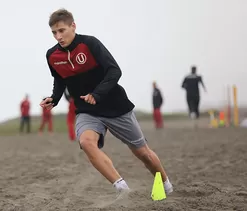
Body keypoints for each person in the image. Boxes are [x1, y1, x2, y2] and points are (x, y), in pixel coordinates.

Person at [40, 9, 173, 196]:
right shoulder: (52, 56)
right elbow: (60, 80)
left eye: (62, 30)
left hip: (116, 107)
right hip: (87, 110)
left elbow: (114, 71)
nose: (58, 36)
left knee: (143, 153)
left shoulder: (90, 43)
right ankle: (121, 188)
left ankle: (166, 183)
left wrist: (97, 93)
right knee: (86, 142)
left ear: (73, 26)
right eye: (54, 33)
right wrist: (53, 98)